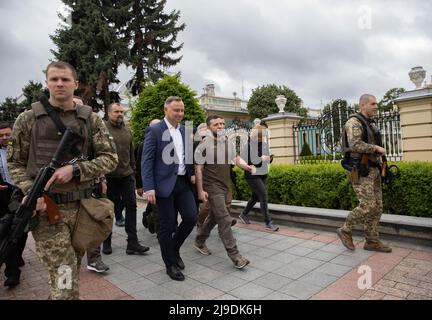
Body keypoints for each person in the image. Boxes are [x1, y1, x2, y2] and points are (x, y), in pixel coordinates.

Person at [7, 61, 119, 299]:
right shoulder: (27, 120)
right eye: (54, 79)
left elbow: (110, 158)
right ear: (46, 82)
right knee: (66, 283)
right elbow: (15, 163)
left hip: (83, 212)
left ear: (75, 84)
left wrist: (76, 170)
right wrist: (30, 191)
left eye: (65, 79)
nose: (60, 84)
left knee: (67, 278)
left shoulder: (91, 120)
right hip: (48, 213)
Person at [142, 96, 197, 281]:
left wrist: (191, 173)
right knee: (167, 224)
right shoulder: (155, 130)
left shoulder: (185, 130)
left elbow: (186, 155)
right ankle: (170, 264)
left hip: (182, 183)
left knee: (191, 217)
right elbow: (147, 160)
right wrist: (149, 187)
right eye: (176, 110)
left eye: (182, 110)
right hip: (163, 185)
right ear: (166, 110)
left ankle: (174, 248)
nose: (180, 114)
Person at [194, 115, 252, 269]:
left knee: (214, 216)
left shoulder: (227, 142)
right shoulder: (203, 146)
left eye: (222, 124)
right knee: (225, 220)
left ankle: (199, 240)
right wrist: (200, 191)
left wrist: (246, 167)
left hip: (226, 186)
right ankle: (236, 256)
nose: (220, 126)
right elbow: (198, 169)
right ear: (208, 128)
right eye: (216, 124)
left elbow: (236, 158)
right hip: (212, 187)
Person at [337, 94, 392, 253]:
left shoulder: (369, 123)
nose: (376, 106)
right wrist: (375, 148)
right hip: (360, 170)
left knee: (377, 207)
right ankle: (345, 229)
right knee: (367, 206)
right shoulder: (353, 122)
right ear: (362, 105)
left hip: (373, 168)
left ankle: (372, 241)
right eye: (373, 104)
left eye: (377, 104)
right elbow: (355, 144)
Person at [101, 103, 149, 256]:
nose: (120, 114)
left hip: (127, 176)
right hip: (109, 177)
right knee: (109, 210)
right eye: (116, 111)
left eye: (122, 111)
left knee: (132, 206)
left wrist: (134, 175)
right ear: (109, 113)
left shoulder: (128, 131)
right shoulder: (101, 130)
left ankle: (132, 242)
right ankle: (106, 241)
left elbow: (131, 154)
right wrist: (100, 177)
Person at [72, 97, 110, 274]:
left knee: (95, 220)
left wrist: (102, 181)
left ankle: (94, 259)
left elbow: (102, 157)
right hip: (65, 191)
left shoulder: (92, 130)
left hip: (91, 186)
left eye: (81, 107)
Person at [0, 122, 27, 287]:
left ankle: (16, 257)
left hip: (20, 194)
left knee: (21, 231)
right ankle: (12, 272)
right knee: (7, 231)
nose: (4, 138)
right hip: (2, 196)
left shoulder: (21, 149)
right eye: (1, 135)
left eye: (7, 134)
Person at [238, 124, 279, 231]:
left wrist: (269, 159)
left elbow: (267, 157)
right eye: (258, 136)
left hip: (262, 173)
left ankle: (244, 214)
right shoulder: (248, 146)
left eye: (262, 136)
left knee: (256, 197)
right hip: (252, 175)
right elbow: (246, 162)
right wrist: (261, 158)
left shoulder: (264, 144)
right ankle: (268, 222)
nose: (260, 138)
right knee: (263, 195)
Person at [135, 119, 160, 232]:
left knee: (157, 204)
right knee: (157, 207)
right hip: (151, 182)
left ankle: (147, 215)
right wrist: (140, 185)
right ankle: (152, 221)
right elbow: (140, 166)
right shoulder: (143, 144)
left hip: (164, 181)